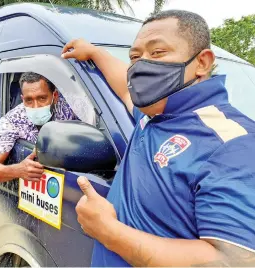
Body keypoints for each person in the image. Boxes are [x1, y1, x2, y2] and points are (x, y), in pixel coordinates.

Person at [61, 10, 255, 267]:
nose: (141, 66)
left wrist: (107, 231)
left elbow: (232, 261)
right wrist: (95, 52)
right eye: (135, 57)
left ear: (202, 63)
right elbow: (125, 89)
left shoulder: (232, 144)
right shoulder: (156, 112)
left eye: (157, 53)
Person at [0, 72, 79, 182]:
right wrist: (18, 170)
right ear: (22, 98)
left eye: (42, 98)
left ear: (55, 96)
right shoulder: (12, 121)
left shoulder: (70, 107)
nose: (36, 106)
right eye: (29, 100)